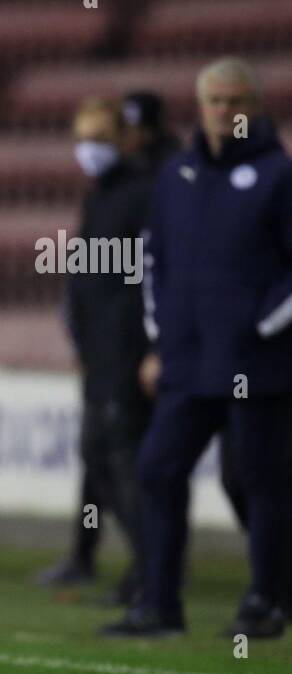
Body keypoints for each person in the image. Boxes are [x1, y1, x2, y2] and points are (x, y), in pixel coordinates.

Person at [104, 58, 292, 639]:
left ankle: (268, 597)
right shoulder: (179, 174)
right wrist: (159, 344)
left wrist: (261, 328)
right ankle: (161, 605)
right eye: (214, 101)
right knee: (159, 470)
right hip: (186, 361)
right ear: (201, 105)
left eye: (236, 101)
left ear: (255, 107)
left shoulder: (277, 175)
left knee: (256, 480)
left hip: (254, 364)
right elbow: (155, 259)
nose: (225, 111)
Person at [33, 98, 156, 607]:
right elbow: (86, 279)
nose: (88, 149)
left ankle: (154, 571)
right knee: (102, 459)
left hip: (127, 354)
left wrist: (150, 348)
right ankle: (145, 568)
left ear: (124, 139)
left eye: (98, 137)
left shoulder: (143, 195)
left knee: (123, 462)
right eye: (81, 137)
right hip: (100, 356)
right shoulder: (101, 196)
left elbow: (145, 281)